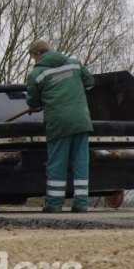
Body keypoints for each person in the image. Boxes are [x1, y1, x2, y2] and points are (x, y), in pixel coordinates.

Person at [25, 39, 94, 213]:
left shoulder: (37, 74)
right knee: (81, 162)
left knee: (57, 162)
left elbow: (33, 101)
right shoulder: (75, 64)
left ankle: (55, 204)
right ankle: (82, 204)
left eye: (33, 57)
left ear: (38, 54)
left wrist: (39, 103)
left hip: (58, 123)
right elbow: (90, 83)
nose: (34, 61)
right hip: (81, 120)